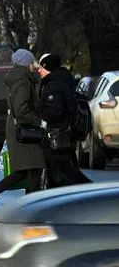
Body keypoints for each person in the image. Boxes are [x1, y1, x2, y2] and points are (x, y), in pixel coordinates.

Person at [0, 49, 45, 216]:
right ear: (26, 64)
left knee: (28, 170)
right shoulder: (23, 82)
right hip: (24, 132)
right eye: (32, 63)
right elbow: (22, 110)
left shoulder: (17, 79)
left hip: (17, 130)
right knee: (30, 169)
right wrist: (39, 121)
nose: (34, 66)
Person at [37, 53, 91, 189]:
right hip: (67, 134)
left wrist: (40, 112)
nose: (38, 70)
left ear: (47, 67)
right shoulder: (64, 80)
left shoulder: (54, 85)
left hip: (58, 135)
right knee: (64, 168)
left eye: (41, 67)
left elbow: (54, 112)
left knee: (62, 169)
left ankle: (88, 189)